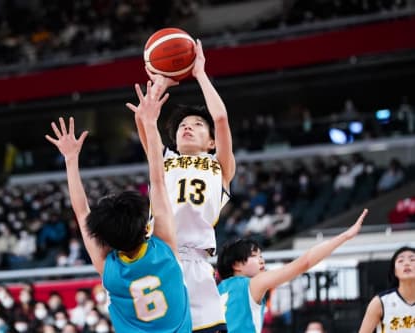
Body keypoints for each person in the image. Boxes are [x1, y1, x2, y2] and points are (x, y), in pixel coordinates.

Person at [45, 86, 192, 332]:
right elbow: (158, 179)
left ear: (103, 238)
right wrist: (150, 123)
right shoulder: (164, 248)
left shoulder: (108, 268)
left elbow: (81, 213)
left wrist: (71, 160)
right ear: (147, 227)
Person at [129, 38, 235, 332]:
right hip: (160, 259)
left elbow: (221, 118)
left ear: (212, 142)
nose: (188, 127)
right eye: (182, 126)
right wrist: (161, 83)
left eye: (198, 125)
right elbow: (145, 120)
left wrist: (199, 72)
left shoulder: (220, 166)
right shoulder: (162, 159)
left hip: (198, 263)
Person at [217, 209, 368, 333]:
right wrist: (345, 236)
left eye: (261, 255)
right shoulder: (252, 283)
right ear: (237, 265)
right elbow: (305, 262)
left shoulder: (217, 290)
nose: (261, 260)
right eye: (254, 256)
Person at [358, 246, 415, 333]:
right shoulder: (380, 302)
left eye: (412, 260)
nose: (406, 263)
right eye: (401, 261)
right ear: (395, 271)